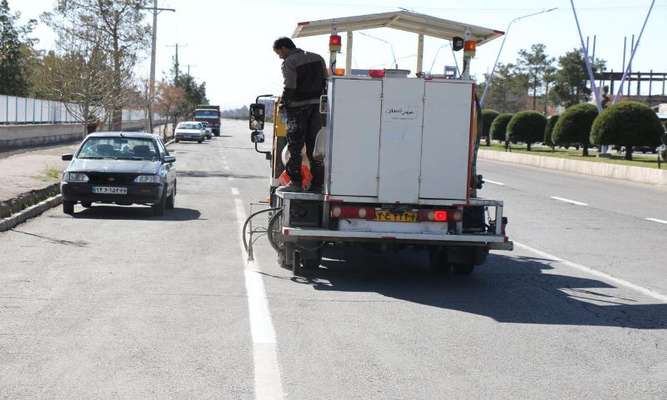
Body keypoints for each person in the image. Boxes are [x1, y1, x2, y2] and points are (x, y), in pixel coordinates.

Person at [273, 37, 327, 192]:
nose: (280, 56)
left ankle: (295, 183)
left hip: (298, 108)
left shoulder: (290, 62)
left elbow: (290, 85)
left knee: (295, 147)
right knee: (315, 148)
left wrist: (284, 103)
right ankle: (317, 185)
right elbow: (326, 81)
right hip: (317, 108)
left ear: (284, 48)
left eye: (279, 53)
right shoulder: (318, 58)